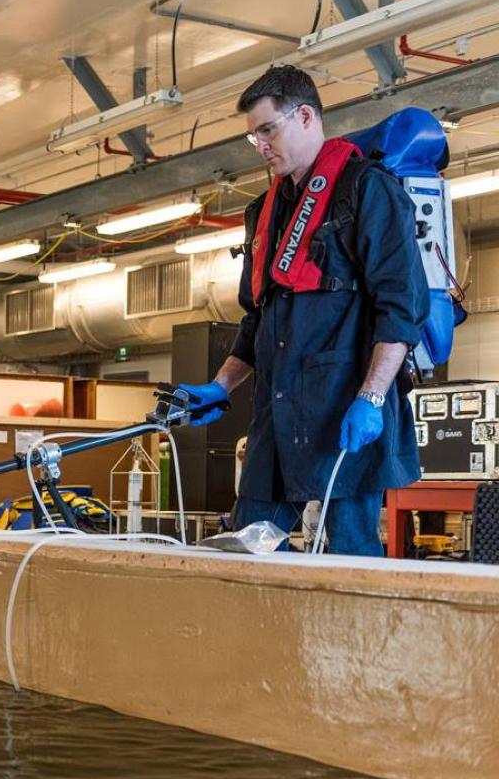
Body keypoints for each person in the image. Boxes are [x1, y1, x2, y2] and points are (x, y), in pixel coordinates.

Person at [178, 65, 427, 557]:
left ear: (307, 116)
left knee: (351, 558)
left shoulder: (367, 190)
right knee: (246, 549)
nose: (261, 145)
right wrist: (221, 385)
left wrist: (373, 398)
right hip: (277, 414)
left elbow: (401, 308)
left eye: (268, 129)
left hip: (346, 410)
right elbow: (258, 317)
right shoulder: (261, 213)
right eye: (254, 136)